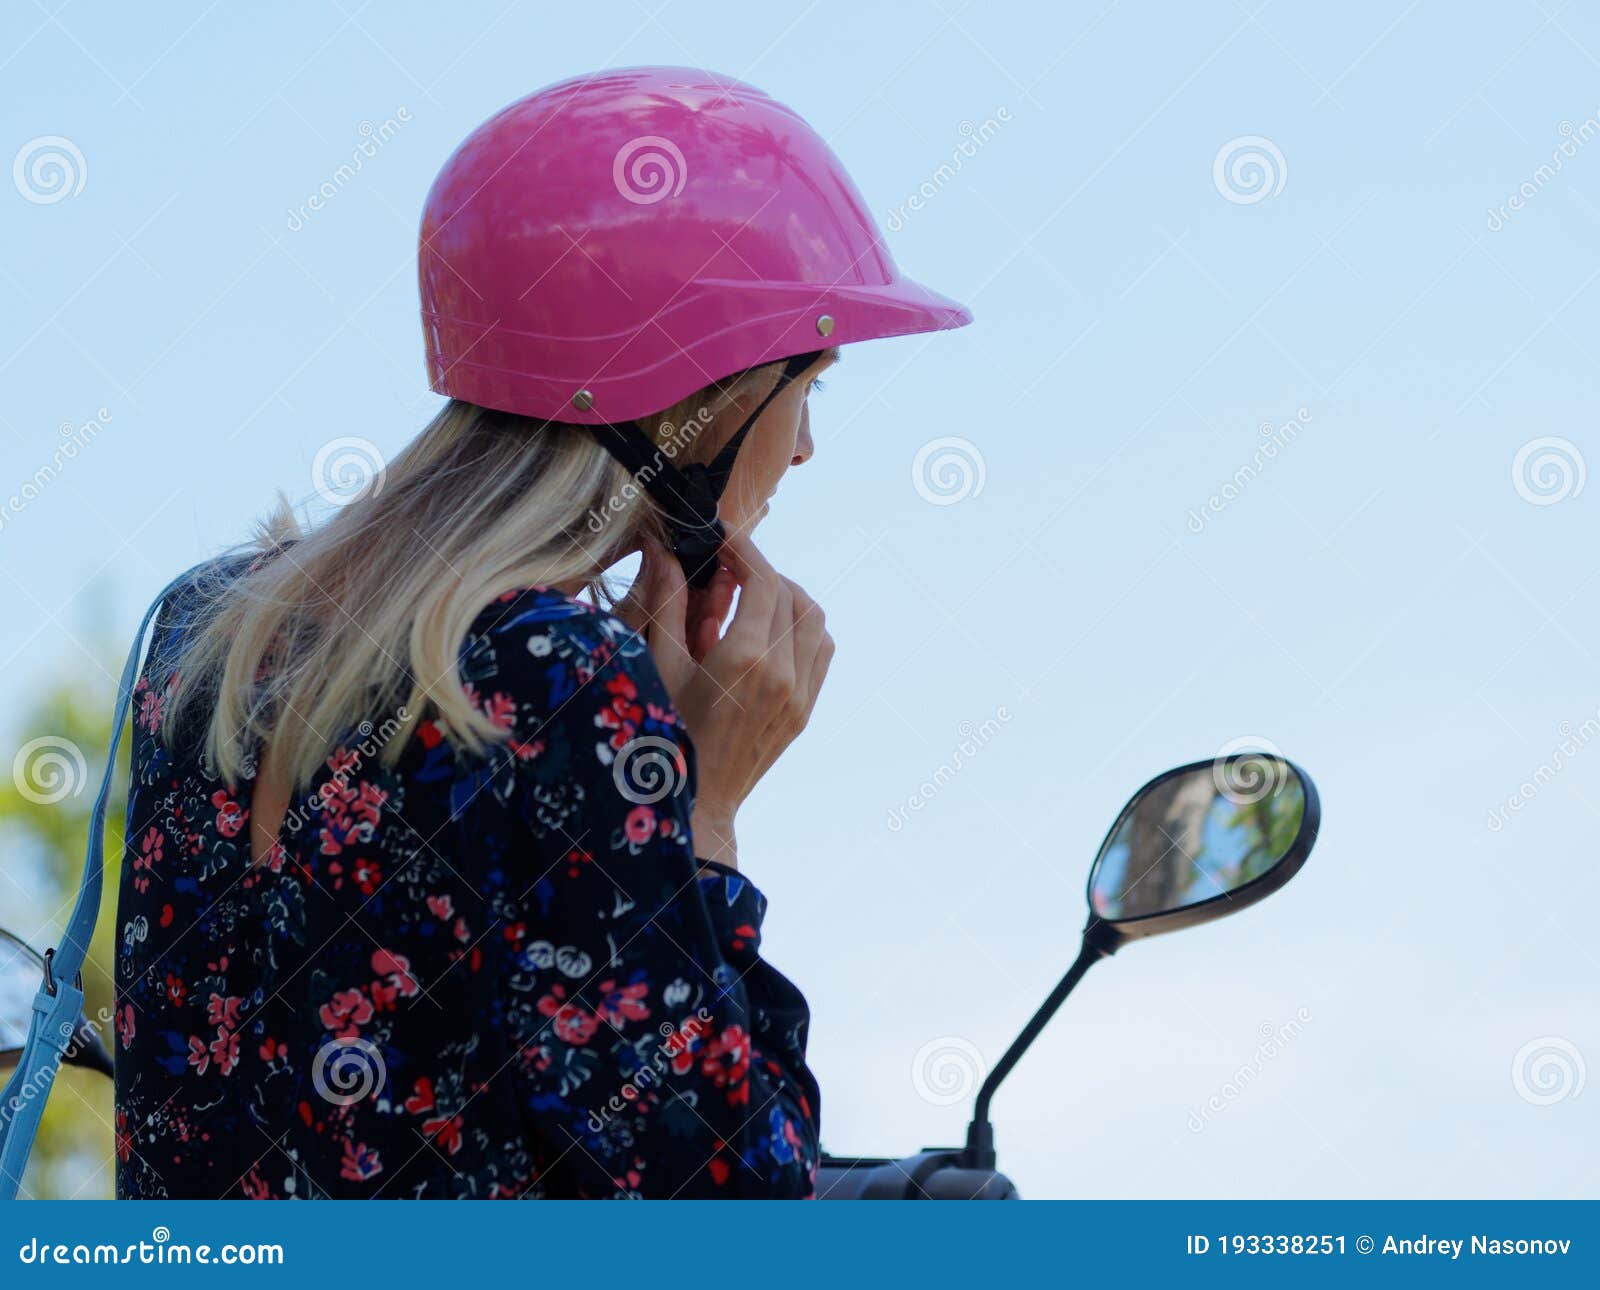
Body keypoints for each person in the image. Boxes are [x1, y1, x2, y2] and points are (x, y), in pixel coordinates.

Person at [112, 66, 970, 1199]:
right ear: (700, 392)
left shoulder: (206, 630)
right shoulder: (560, 680)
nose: (804, 447)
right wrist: (699, 811)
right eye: (806, 384)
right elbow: (730, 1201)